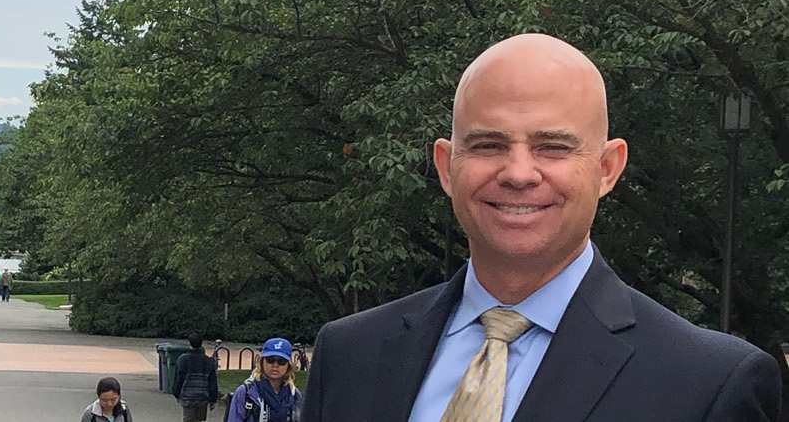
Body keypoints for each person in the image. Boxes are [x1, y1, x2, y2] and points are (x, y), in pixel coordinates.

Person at [302, 33, 782, 422]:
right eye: (488, 144)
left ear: (607, 168)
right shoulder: (348, 356)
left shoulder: (707, 385)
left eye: (553, 146)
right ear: (447, 168)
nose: (518, 172)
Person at [227, 338, 301, 422]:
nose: (275, 365)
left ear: (288, 365)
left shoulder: (294, 395)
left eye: (281, 361)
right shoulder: (245, 392)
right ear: (262, 362)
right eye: (270, 360)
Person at [173, 335, 220, 422]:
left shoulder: (183, 359)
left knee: (188, 419)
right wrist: (213, 398)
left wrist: (177, 393)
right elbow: (212, 382)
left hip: (188, 397)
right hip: (202, 397)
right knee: (199, 420)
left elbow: (178, 378)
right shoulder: (208, 361)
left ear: (189, 344)